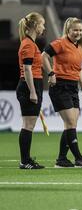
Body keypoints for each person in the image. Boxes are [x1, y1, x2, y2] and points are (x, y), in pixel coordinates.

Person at [42, 17, 82, 167]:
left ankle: (61, 159)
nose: (78, 33)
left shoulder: (80, 48)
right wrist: (51, 73)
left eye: (80, 30)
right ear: (68, 30)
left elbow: (80, 70)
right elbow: (43, 56)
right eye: (75, 30)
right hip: (60, 87)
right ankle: (78, 158)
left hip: (72, 87)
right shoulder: (60, 43)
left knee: (71, 124)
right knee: (70, 122)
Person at [16, 12, 46, 169]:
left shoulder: (30, 43)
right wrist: (33, 91)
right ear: (35, 25)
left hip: (34, 84)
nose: (43, 27)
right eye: (42, 24)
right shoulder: (28, 44)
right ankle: (25, 161)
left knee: (29, 125)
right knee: (28, 125)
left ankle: (26, 160)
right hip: (29, 85)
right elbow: (27, 70)